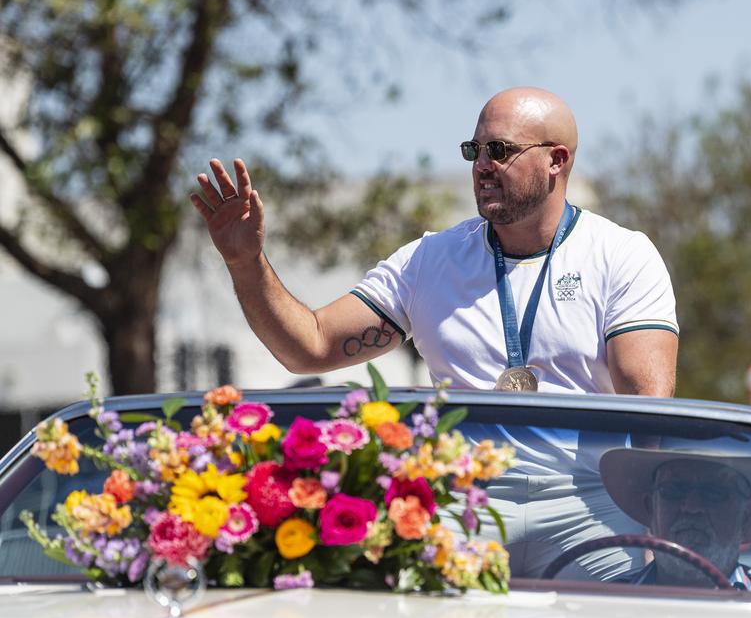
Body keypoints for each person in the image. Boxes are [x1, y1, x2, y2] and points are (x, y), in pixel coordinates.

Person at [190, 87, 678, 395]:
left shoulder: (623, 256)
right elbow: (311, 348)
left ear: (557, 160)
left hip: (585, 505)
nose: (482, 165)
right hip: (464, 515)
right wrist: (245, 262)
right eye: (474, 150)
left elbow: (649, 414)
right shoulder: (428, 261)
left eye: (500, 150)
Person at [600, 446, 751, 594]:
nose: (692, 507)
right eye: (674, 490)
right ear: (651, 508)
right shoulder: (605, 605)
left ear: (746, 516)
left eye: (714, 493)